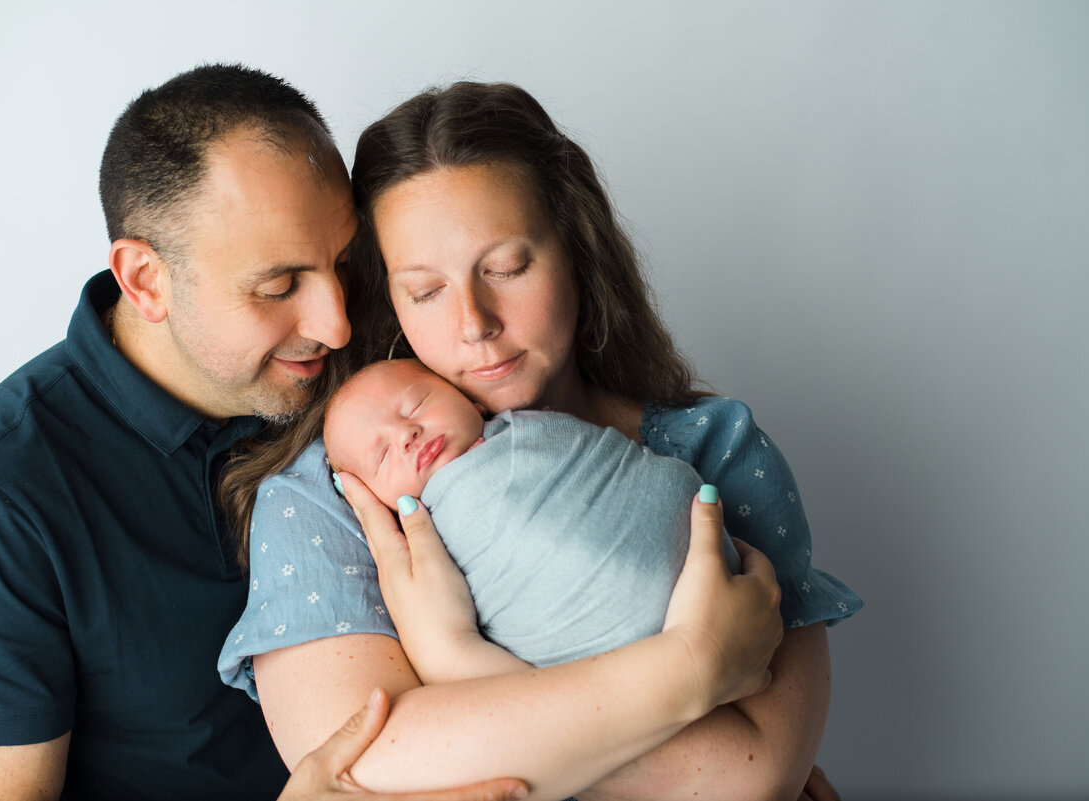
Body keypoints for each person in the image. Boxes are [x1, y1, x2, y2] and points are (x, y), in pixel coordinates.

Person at [0, 64, 531, 801]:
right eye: (278, 286)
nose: (335, 321)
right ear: (146, 280)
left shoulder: (379, 354)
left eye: (342, 262)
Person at [219, 81, 861, 800]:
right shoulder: (336, 495)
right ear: (389, 300)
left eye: (507, 268)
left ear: (578, 252)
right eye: (425, 290)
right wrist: (692, 670)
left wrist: (463, 694)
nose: (474, 321)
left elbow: (750, 775)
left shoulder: (716, 449)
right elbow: (363, 757)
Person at [320, 357, 744, 671]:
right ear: (374, 500)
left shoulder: (528, 424)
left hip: (706, 562)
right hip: (608, 657)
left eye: (415, 405)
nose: (406, 434)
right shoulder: (424, 545)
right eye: (382, 455)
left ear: (466, 397)